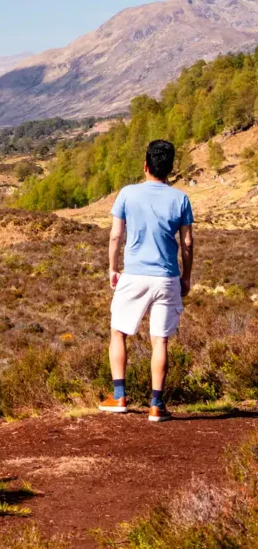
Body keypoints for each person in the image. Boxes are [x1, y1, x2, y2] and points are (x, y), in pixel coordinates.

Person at [99, 139, 194, 422]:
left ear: (145, 165)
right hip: (167, 277)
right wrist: (186, 277)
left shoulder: (128, 194)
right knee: (160, 341)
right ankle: (156, 404)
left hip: (135, 274)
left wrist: (112, 268)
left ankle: (119, 397)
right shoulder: (180, 198)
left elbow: (116, 236)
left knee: (118, 332)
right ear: (170, 168)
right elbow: (187, 243)